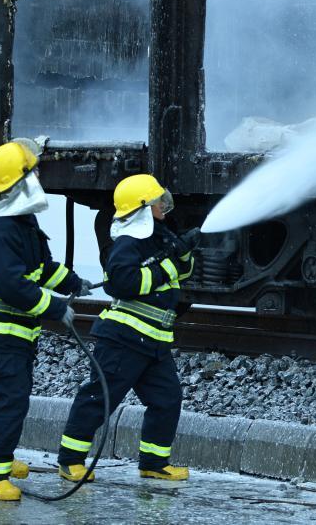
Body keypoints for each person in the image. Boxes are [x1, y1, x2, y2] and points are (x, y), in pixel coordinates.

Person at [0, 139, 93, 501]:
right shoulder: (1, 230)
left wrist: (72, 282)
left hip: (12, 335)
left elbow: (39, 267)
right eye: (33, 170)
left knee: (3, 398)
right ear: (19, 180)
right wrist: (54, 308)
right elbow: (11, 284)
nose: (38, 174)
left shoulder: (21, 221)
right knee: (11, 401)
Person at [57, 173, 197, 483]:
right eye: (157, 200)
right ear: (143, 207)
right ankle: (70, 460)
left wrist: (184, 251)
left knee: (167, 400)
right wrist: (167, 267)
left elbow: (181, 272)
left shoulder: (160, 236)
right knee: (99, 399)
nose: (164, 204)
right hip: (126, 339)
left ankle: (153, 462)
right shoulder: (127, 243)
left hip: (155, 341)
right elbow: (121, 283)